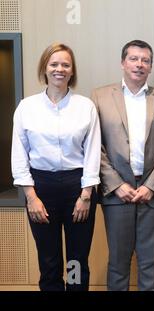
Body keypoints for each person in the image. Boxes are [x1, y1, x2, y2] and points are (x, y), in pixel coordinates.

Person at [11, 43, 100, 291]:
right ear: (45, 68)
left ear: (72, 71)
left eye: (65, 65)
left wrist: (85, 196)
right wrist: (31, 197)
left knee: (76, 259)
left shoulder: (85, 107)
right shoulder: (26, 107)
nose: (59, 69)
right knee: (49, 260)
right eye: (54, 64)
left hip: (78, 187)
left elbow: (93, 152)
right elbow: (19, 155)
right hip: (41, 189)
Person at [91, 40, 154, 291]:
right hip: (117, 191)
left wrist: (152, 185)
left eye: (145, 60)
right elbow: (94, 145)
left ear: (151, 66)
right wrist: (116, 184)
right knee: (118, 263)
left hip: (153, 191)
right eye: (133, 59)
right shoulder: (100, 96)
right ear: (122, 62)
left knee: (150, 261)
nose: (139, 64)